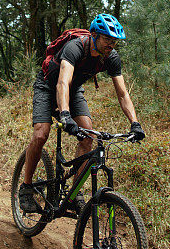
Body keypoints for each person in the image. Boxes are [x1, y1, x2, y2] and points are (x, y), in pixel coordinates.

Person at [19, 13, 145, 213]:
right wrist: (65, 114)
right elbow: (62, 82)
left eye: (114, 41)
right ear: (94, 35)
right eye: (107, 39)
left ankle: (74, 192)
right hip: (47, 86)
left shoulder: (110, 58)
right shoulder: (75, 47)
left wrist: (135, 123)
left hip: (74, 89)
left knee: (87, 134)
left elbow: (122, 94)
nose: (111, 45)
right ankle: (26, 188)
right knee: (41, 133)